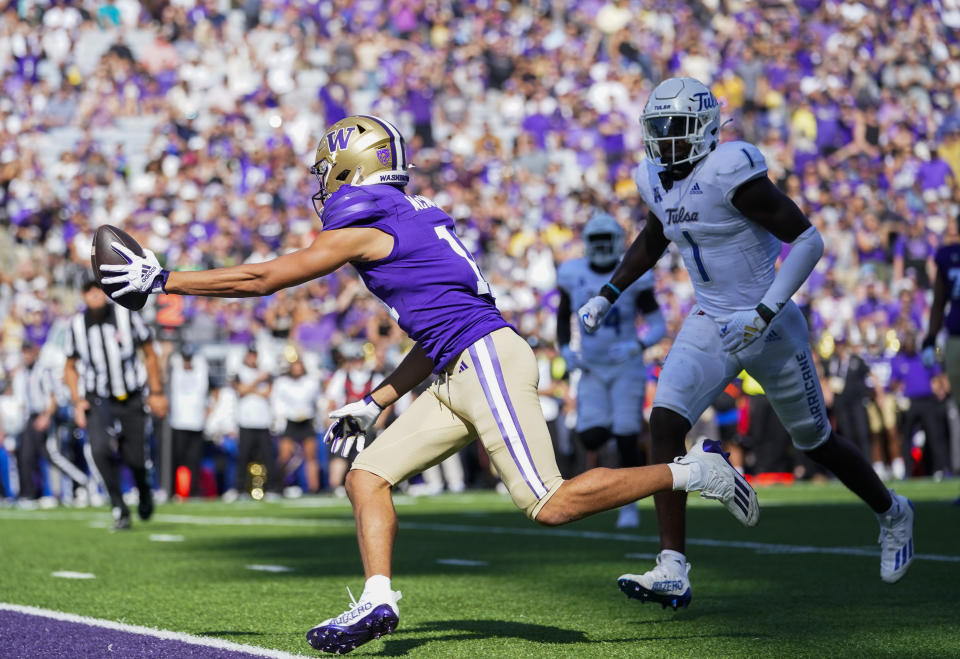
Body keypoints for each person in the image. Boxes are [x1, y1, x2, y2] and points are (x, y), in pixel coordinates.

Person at [98, 114, 758, 654]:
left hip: (485, 359)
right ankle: (379, 596)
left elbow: (263, 278)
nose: (321, 185)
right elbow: (435, 331)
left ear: (352, 168)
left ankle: (691, 471)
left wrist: (166, 280)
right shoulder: (410, 218)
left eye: (328, 172)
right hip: (458, 362)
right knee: (368, 475)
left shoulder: (372, 226)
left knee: (550, 503)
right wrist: (375, 399)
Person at [577, 77, 915, 609]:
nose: (666, 140)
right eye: (659, 129)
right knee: (664, 421)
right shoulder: (654, 178)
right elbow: (654, 236)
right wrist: (609, 292)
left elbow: (808, 239)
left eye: (677, 129)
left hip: (770, 321)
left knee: (816, 441)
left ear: (708, 129)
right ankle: (673, 567)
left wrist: (764, 311)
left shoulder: (731, 171)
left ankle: (893, 512)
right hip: (711, 317)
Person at [556, 211, 666, 528]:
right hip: (591, 364)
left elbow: (657, 324)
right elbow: (563, 317)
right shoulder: (571, 273)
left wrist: (639, 345)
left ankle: (629, 505)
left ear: (618, 242)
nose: (603, 245)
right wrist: (565, 349)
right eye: (597, 239)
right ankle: (611, 474)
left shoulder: (632, 272)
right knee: (591, 435)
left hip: (625, 365)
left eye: (608, 239)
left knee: (627, 434)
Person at [63, 278, 168, 530]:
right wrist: (78, 401)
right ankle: (118, 506)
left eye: (98, 288)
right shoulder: (77, 325)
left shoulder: (126, 315)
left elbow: (149, 352)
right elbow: (69, 367)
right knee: (99, 450)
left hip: (130, 397)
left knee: (136, 459)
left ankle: (144, 491)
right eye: (89, 290)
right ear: (83, 295)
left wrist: (155, 391)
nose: (95, 294)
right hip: (99, 400)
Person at [271, 356, 322, 494]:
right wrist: (279, 419)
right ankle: (278, 485)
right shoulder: (282, 382)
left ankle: (313, 488)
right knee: (284, 455)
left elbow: (317, 400)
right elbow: (277, 402)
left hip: (306, 420)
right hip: (290, 421)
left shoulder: (311, 382)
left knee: (311, 455)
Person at [168, 344, 209, 498]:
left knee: (194, 461)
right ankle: (172, 490)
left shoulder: (200, 371)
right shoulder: (176, 370)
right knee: (176, 460)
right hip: (178, 422)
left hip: (196, 423)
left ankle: (193, 491)